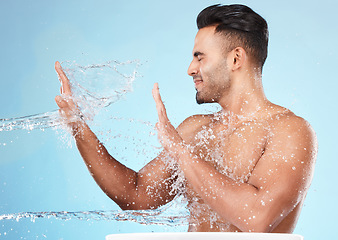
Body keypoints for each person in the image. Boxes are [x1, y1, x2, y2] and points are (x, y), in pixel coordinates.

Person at [54, 4, 317, 233]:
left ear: (236, 58)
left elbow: (257, 218)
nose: (190, 69)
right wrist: (78, 125)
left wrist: (180, 151)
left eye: (199, 57)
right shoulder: (196, 128)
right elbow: (136, 196)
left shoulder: (289, 130)